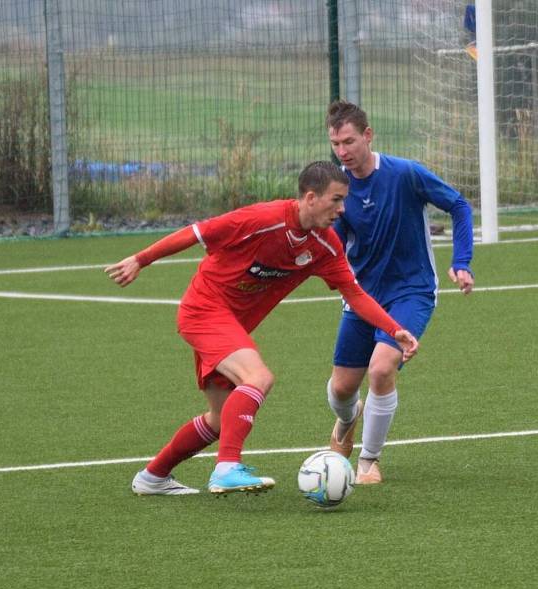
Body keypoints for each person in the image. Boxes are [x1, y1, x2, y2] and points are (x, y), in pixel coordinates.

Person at [105, 161, 419, 496]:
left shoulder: (325, 245)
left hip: (229, 325)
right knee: (258, 378)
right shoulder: (259, 219)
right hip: (204, 311)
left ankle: (153, 477)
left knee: (220, 418)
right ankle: (226, 468)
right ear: (311, 198)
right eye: (336, 200)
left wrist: (393, 328)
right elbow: (197, 232)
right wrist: (141, 259)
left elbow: (355, 294)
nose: (343, 209)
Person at [324, 100, 474, 484]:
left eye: (349, 141)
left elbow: (458, 205)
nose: (343, 152)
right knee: (342, 390)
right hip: (362, 297)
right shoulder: (337, 189)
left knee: (381, 368)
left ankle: (368, 462)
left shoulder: (405, 174)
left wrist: (462, 260)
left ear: (368, 135)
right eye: (336, 144)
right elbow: (334, 240)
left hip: (412, 291)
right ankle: (347, 419)